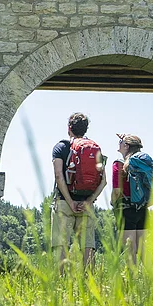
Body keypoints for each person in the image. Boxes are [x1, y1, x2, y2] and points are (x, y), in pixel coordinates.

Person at [51, 112, 106, 263]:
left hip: (64, 202)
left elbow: (58, 176)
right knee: (88, 246)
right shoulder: (94, 149)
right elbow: (103, 181)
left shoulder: (60, 147)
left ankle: (60, 277)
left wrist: (70, 202)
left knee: (61, 244)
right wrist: (89, 201)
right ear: (86, 129)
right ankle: (90, 277)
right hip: (86, 204)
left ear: (69, 128)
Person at [112, 133, 153, 260]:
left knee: (130, 250)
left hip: (126, 209)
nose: (119, 144)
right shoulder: (143, 163)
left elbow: (117, 191)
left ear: (126, 146)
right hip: (142, 208)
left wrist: (113, 203)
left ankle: (133, 274)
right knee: (143, 250)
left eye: (120, 142)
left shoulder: (118, 164)